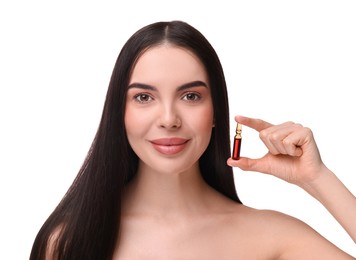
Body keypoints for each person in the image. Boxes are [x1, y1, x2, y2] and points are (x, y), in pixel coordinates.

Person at [30, 20, 356, 259]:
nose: (169, 119)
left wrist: (318, 179)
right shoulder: (69, 241)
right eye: (144, 97)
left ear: (215, 111)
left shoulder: (272, 237)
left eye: (190, 96)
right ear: (120, 112)